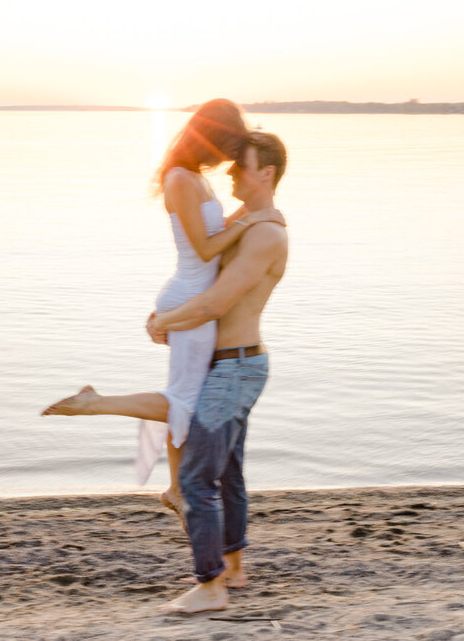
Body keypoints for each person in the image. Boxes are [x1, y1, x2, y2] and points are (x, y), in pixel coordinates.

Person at [41, 100, 282, 521]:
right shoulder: (180, 179)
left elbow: (216, 232)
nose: (228, 160)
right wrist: (249, 223)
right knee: (184, 400)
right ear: (210, 138)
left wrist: (260, 211)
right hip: (190, 297)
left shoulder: (195, 179)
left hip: (196, 297)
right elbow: (207, 248)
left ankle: (174, 487)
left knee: (187, 397)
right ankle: (95, 403)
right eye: (227, 147)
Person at [146, 131, 289, 614]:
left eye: (240, 166)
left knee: (196, 480)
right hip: (231, 365)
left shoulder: (266, 235)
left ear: (265, 173)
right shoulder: (253, 225)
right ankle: (234, 569)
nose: (229, 171)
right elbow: (206, 256)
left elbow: (216, 302)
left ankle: (210, 586)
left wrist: (163, 321)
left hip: (236, 367)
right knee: (228, 476)